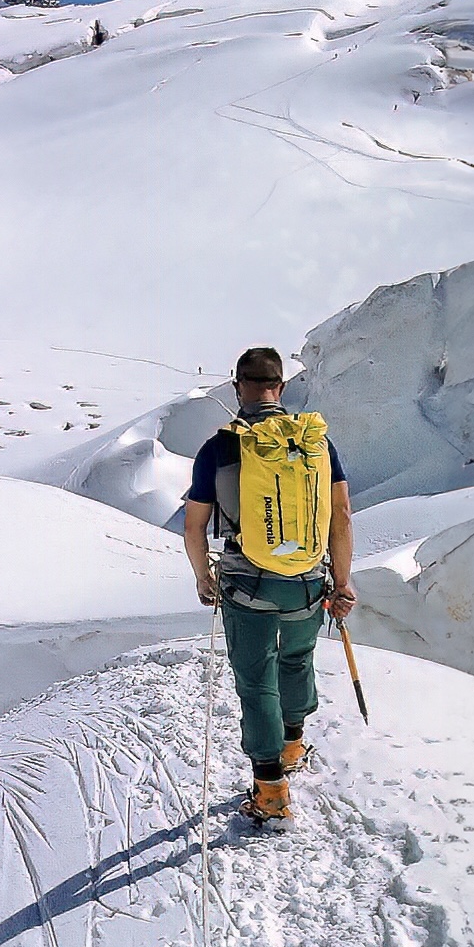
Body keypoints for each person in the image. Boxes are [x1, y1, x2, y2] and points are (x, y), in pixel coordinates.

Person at [182, 346, 356, 827]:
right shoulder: (316, 443)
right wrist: (341, 582)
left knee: (258, 681)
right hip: (306, 582)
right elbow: (340, 515)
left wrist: (203, 575)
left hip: (246, 584)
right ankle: (293, 745)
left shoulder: (220, 448)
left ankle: (271, 791)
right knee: (297, 659)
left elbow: (195, 525)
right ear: (280, 387)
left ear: (238, 387)